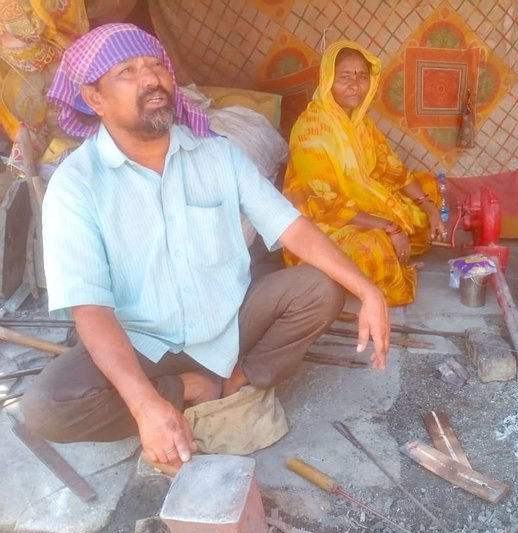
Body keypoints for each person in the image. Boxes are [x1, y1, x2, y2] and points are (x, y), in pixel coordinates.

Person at [20, 24, 389, 471]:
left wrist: (369, 291)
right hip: (143, 342)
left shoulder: (219, 155)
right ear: (93, 99)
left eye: (156, 65)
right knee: (46, 406)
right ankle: (190, 389)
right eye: (128, 71)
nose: (151, 78)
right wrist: (145, 406)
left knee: (320, 287)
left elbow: (291, 226)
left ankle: (238, 379)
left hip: (228, 325)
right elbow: (90, 309)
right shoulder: (76, 185)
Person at [283, 41, 446, 306]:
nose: (355, 84)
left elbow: (393, 171)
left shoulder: (360, 123)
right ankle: (387, 265)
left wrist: (429, 208)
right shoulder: (310, 131)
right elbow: (328, 205)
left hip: (363, 207)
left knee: (428, 186)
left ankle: (393, 252)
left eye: (361, 77)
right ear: (327, 80)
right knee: (373, 247)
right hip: (320, 225)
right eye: (345, 77)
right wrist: (390, 227)